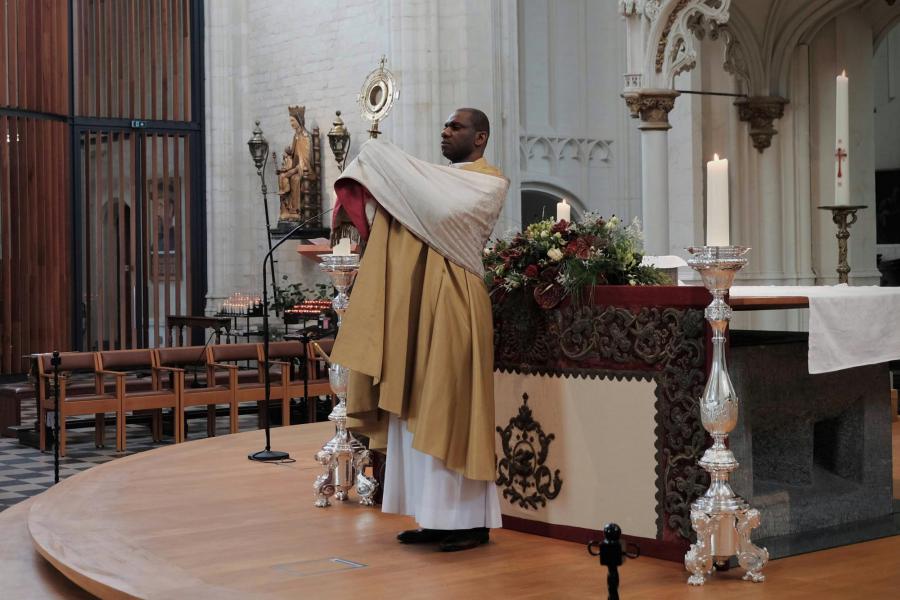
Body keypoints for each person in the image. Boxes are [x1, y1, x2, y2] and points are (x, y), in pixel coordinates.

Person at [329, 108, 508, 552]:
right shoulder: (427, 185)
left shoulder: (488, 183)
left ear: (480, 137)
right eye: (444, 126)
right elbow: (392, 205)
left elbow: (439, 211)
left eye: (456, 127)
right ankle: (434, 518)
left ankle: (468, 522)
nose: (445, 132)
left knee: (453, 408)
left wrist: (378, 156)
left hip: (456, 304)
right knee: (416, 409)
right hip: (418, 304)